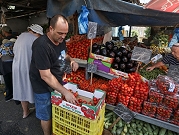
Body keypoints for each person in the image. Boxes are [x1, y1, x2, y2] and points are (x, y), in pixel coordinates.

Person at [29, 14, 79, 135]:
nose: (63, 36)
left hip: (56, 82)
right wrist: (65, 92)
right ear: (51, 29)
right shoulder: (41, 45)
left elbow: (64, 54)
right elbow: (45, 75)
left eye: (65, 33)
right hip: (42, 85)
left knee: (55, 108)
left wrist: (71, 60)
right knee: (45, 113)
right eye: (60, 33)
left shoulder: (61, 41)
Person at [12, 24, 43, 119]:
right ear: (36, 32)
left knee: (21, 88)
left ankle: (25, 112)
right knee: (34, 87)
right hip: (28, 67)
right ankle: (39, 112)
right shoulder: (34, 39)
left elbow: (14, 51)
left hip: (17, 66)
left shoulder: (20, 36)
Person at [0, 26, 17, 102]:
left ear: (4, 32)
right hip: (14, 62)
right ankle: (16, 95)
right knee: (15, 80)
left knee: (8, 80)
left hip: (6, 63)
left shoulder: (6, 41)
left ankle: (9, 96)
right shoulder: (16, 39)